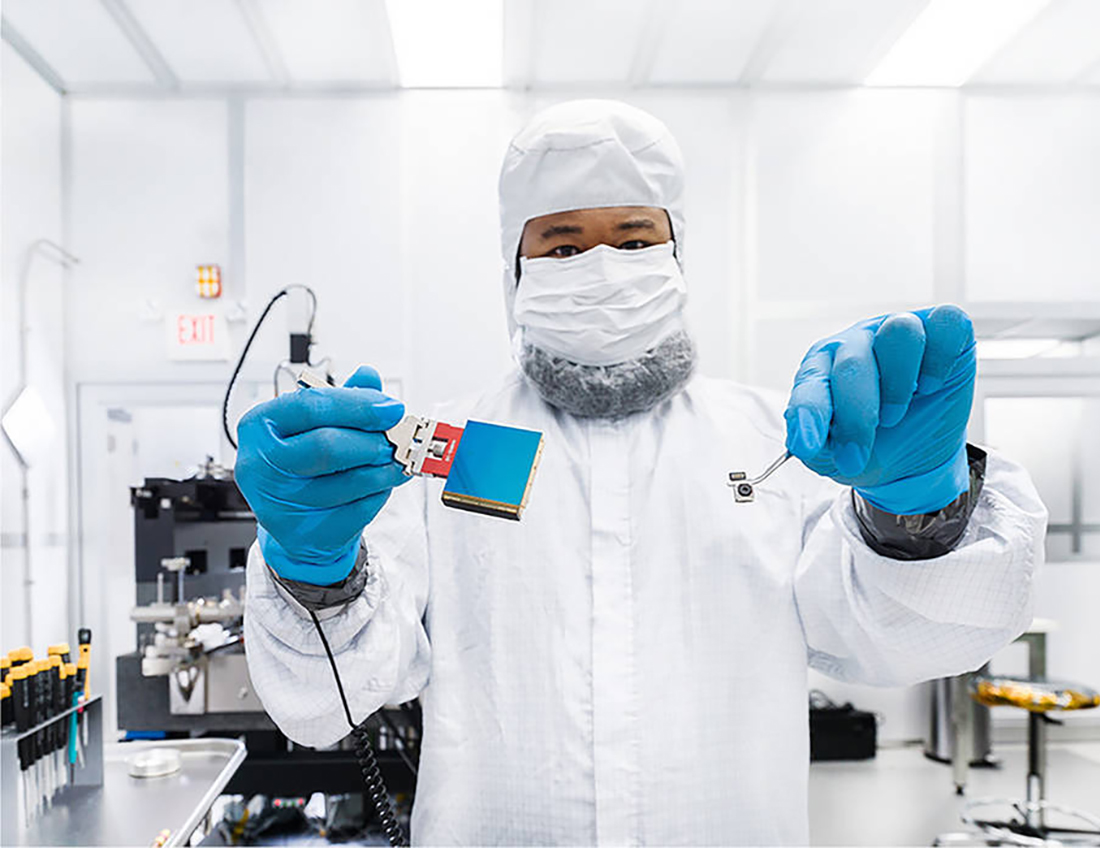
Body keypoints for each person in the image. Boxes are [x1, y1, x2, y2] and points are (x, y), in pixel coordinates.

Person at [236, 100, 1047, 845]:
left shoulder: (778, 445)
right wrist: (315, 570)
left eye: (632, 239)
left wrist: (912, 510)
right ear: (515, 268)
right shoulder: (443, 449)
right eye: (560, 242)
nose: (599, 265)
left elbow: (908, 643)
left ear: (676, 252)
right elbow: (325, 701)